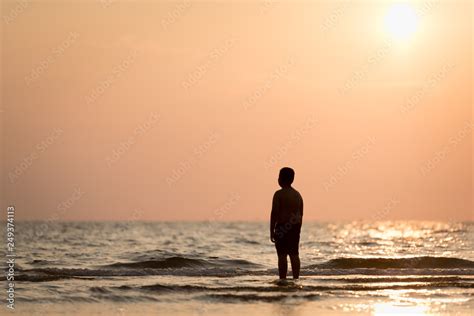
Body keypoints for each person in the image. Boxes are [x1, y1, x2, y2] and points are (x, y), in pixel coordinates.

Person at [270, 167, 304, 279]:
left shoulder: (278, 194)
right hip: (294, 228)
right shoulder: (298, 195)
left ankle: (283, 279)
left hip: (282, 227)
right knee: (294, 254)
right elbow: (301, 214)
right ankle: (296, 278)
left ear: (280, 179)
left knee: (282, 255)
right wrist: (298, 229)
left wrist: (272, 230)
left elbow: (274, 213)